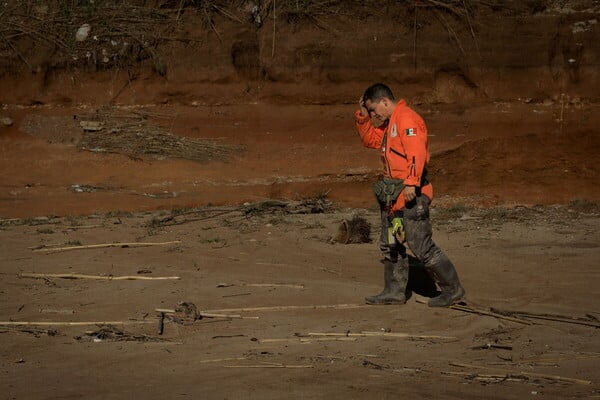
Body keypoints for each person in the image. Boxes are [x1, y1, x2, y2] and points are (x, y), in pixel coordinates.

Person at [354, 83, 465, 307]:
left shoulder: (406, 119)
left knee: (420, 244)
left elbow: (416, 152)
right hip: (393, 198)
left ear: (385, 101)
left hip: (410, 194)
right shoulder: (390, 125)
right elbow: (369, 140)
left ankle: (452, 289)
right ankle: (394, 291)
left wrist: (412, 184)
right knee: (391, 243)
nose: (374, 115)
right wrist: (363, 116)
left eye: (374, 110)